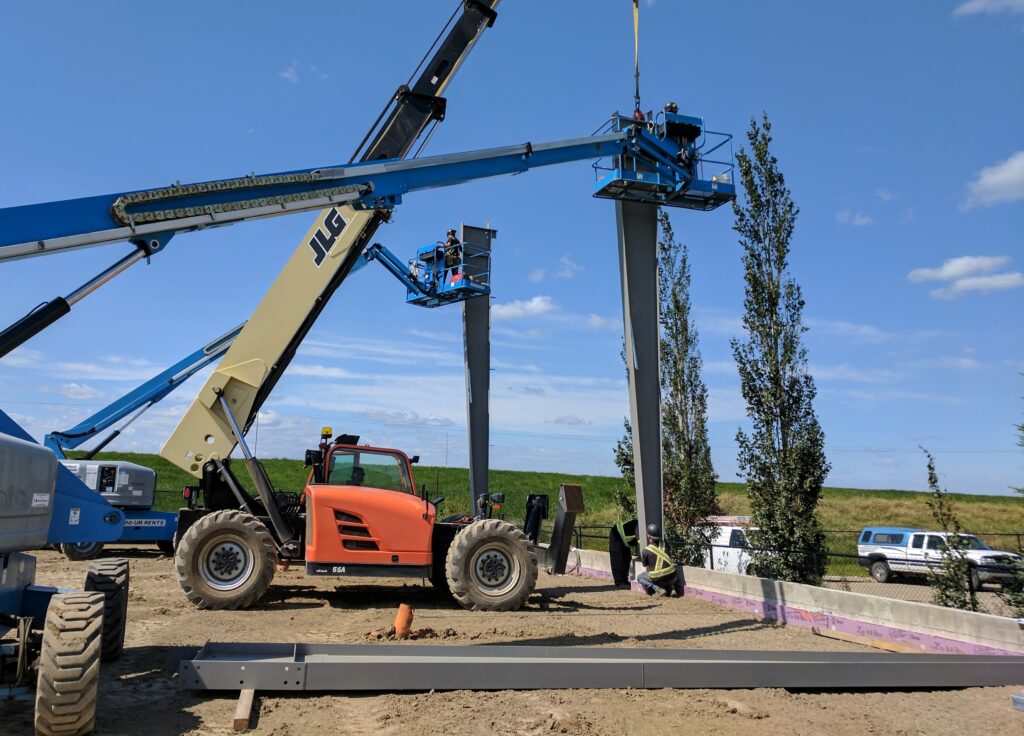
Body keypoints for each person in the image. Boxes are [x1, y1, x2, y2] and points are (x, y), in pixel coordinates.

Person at [637, 523, 677, 597]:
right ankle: (672, 589)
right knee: (669, 572)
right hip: (673, 577)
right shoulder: (666, 544)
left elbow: (644, 565)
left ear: (648, 536)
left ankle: (658, 590)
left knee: (639, 578)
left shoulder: (646, 550)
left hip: (659, 580)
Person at [608, 518, 639, 588]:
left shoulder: (642, 527)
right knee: (617, 559)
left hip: (625, 540)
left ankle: (625, 580)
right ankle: (619, 582)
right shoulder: (639, 529)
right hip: (616, 535)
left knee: (627, 558)